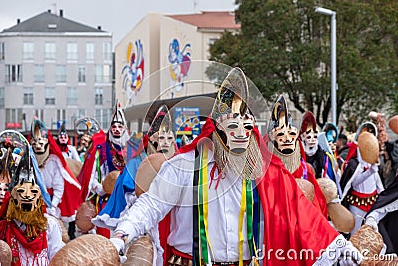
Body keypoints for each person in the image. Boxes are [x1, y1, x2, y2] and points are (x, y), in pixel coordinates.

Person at [108, 68, 361, 266]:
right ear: (217, 130)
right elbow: (151, 205)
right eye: (233, 128)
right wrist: (122, 235)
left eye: (248, 129)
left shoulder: (265, 173)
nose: (242, 136)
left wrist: (344, 249)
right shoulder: (183, 166)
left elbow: (305, 217)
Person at [92, 105, 177, 230]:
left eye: (169, 138)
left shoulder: (178, 161)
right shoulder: (135, 163)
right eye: (160, 138)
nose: (165, 142)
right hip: (143, 217)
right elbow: (127, 192)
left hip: (171, 221)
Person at [0, 146, 64, 265]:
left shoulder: (49, 225)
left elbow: (57, 258)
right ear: (12, 199)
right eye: (21, 192)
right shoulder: (3, 228)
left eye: (33, 192)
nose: (27, 196)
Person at [266, 99, 328, 216]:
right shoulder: (263, 170)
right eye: (280, 134)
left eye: (291, 134)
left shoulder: (305, 169)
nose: (288, 139)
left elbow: (317, 208)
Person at [78, 100, 130, 238]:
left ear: (125, 128)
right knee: (104, 238)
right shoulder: (101, 149)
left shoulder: (132, 150)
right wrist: (98, 187)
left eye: (120, 126)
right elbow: (93, 175)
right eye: (114, 126)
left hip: (127, 200)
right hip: (106, 200)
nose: (117, 129)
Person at [29, 117, 82, 240]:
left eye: (41, 143)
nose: (37, 146)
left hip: (51, 201)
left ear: (47, 143)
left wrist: (52, 206)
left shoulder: (54, 161)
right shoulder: (29, 162)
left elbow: (59, 186)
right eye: (34, 143)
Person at [340, 122, 384, 235]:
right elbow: (353, 183)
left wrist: (384, 199)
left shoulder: (374, 165)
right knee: (355, 233)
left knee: (372, 233)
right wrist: (369, 172)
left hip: (372, 203)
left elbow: (379, 185)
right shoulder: (355, 165)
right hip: (356, 204)